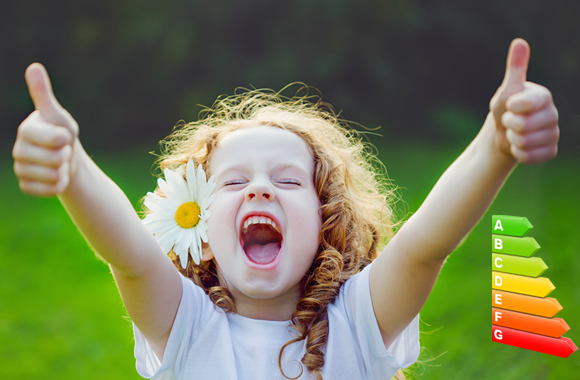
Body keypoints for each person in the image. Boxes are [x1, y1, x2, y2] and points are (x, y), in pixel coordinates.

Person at [12, 38, 559, 380]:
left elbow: (425, 245)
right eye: (232, 181)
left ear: (327, 221)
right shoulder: (188, 329)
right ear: (198, 226)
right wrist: (73, 168)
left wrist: (495, 147)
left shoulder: (358, 324)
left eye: (288, 179)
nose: (259, 190)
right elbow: (128, 253)